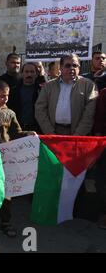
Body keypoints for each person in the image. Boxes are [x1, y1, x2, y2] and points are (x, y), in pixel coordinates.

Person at [0, 80, 37, 237]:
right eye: (2, 96)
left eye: (7, 96)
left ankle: (5, 222)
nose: (5, 99)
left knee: (6, 193)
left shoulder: (10, 113)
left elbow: (16, 133)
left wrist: (28, 134)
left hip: (5, 159)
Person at [35, 54, 98, 136]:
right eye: (68, 65)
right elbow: (40, 110)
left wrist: (78, 134)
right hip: (53, 133)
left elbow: (89, 114)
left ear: (79, 68)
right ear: (60, 68)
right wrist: (50, 133)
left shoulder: (89, 85)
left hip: (79, 134)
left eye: (75, 65)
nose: (71, 68)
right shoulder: (48, 86)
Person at [8, 63, 41, 132]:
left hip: (36, 129)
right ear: (21, 73)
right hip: (18, 129)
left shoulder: (41, 91)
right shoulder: (13, 91)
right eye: (26, 72)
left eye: (32, 72)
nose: (29, 74)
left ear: (36, 74)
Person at [93, 88, 106, 229]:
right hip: (105, 143)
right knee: (103, 182)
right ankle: (104, 214)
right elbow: (99, 119)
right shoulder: (104, 93)